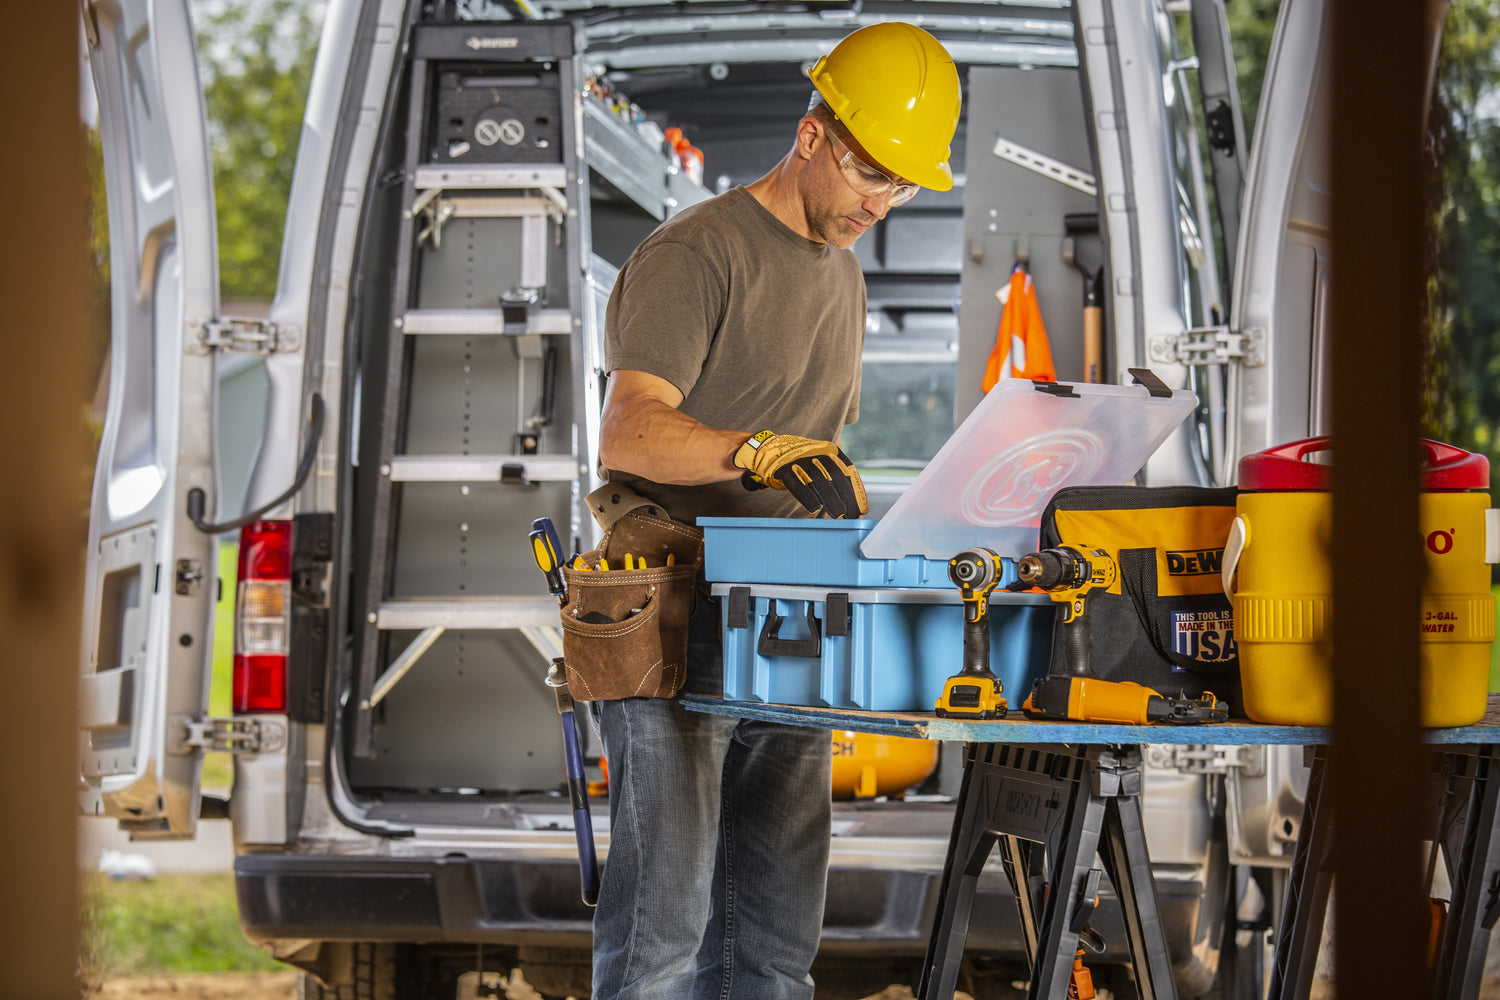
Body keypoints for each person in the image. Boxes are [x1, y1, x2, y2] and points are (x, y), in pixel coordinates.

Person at [589, 22, 962, 1000]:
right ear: (810, 135)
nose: (881, 204)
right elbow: (628, 433)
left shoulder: (842, 274)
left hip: (790, 617)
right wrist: (750, 449)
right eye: (871, 174)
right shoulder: (694, 253)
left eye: (902, 185)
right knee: (662, 944)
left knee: (774, 946)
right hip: (674, 613)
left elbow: (815, 446)